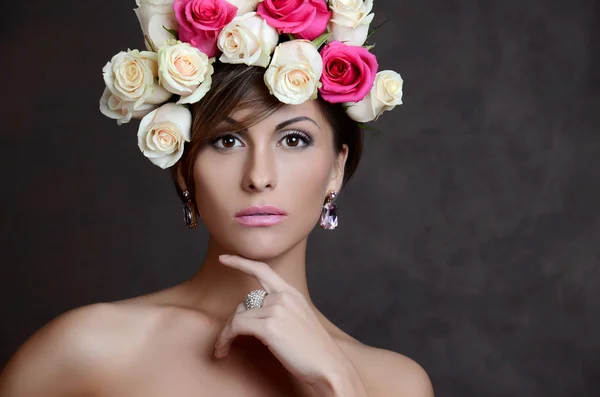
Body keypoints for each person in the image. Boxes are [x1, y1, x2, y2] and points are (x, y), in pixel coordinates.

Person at [0, 1, 433, 396]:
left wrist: (336, 384)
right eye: (226, 141)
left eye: (294, 139)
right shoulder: (87, 350)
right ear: (184, 166)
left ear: (335, 169)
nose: (259, 177)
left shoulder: (394, 384)